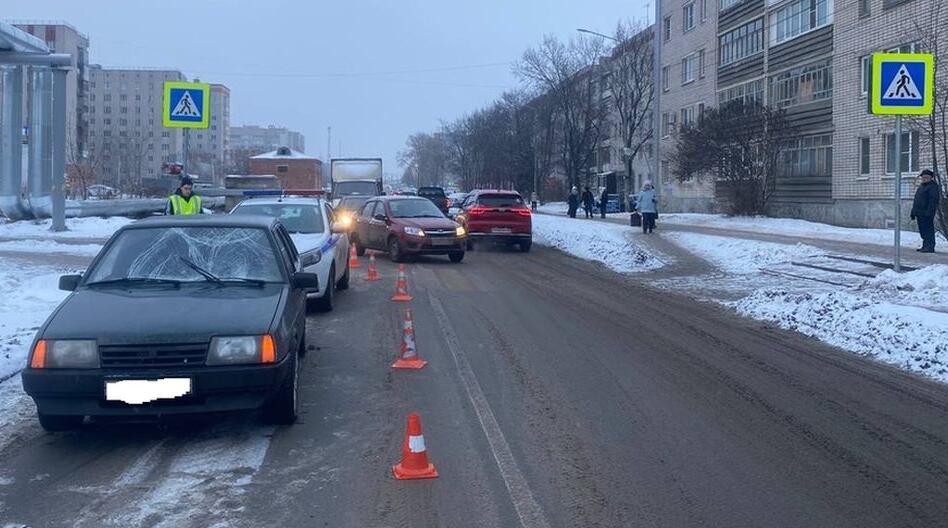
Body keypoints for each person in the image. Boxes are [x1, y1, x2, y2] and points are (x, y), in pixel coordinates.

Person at [911, 169, 941, 253]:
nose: (924, 179)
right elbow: (916, 200)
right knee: (923, 230)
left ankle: (930, 246)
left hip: (927, 213)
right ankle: (925, 245)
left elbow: (933, 201)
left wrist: (929, 212)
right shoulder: (921, 187)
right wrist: (913, 212)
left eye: (926, 177)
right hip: (919, 213)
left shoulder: (933, 187)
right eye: (923, 177)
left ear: (931, 178)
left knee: (928, 230)